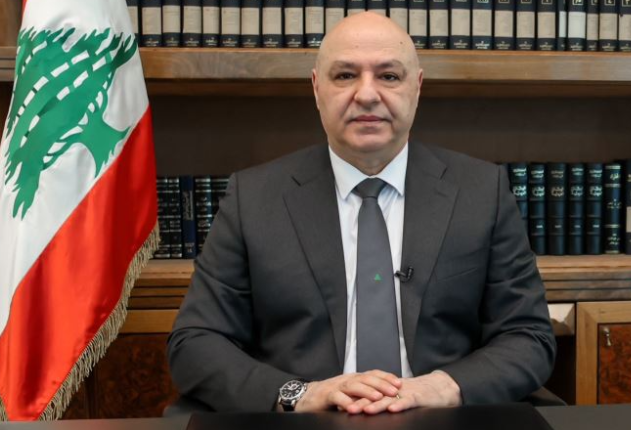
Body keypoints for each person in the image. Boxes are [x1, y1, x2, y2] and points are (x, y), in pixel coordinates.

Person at [167, 11, 556, 415]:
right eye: (345, 75)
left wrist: (444, 387)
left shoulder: (481, 192)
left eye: (388, 76)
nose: (367, 94)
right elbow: (195, 342)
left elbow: (528, 336)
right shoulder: (253, 198)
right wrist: (300, 394)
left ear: (417, 87)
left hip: (439, 417)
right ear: (316, 88)